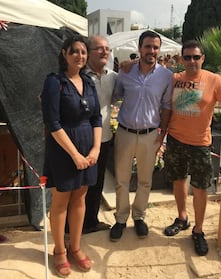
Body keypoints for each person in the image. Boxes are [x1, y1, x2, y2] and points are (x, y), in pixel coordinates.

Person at [163, 40, 221, 256]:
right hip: (175, 140)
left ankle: (198, 230)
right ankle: (182, 218)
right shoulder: (175, 79)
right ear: (181, 59)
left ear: (202, 59)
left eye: (195, 57)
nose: (191, 61)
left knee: (200, 187)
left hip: (200, 143)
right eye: (187, 57)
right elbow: (167, 108)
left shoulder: (214, 80)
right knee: (178, 180)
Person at [40, 35, 102, 276]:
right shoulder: (55, 83)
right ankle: (59, 251)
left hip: (88, 147)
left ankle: (75, 247)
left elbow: (96, 117)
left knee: (80, 199)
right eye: (74, 51)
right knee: (61, 201)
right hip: (63, 150)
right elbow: (52, 123)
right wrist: (75, 155)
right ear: (64, 53)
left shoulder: (89, 82)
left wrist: (95, 149)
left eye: (84, 52)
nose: (80, 56)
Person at [110, 30, 173, 242]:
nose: (152, 51)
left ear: (159, 50)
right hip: (125, 132)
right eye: (148, 46)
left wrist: (162, 136)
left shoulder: (166, 76)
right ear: (139, 48)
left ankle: (139, 216)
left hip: (150, 136)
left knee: (145, 180)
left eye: (155, 47)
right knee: (122, 180)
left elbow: (166, 107)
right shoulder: (125, 72)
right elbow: (115, 95)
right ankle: (120, 219)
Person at [82, 35, 118, 233]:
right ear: (88, 52)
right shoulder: (78, 76)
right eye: (99, 48)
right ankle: (72, 224)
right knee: (79, 185)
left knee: (96, 183)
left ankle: (91, 221)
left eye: (107, 48)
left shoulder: (113, 77)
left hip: (103, 138)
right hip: (81, 139)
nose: (105, 51)